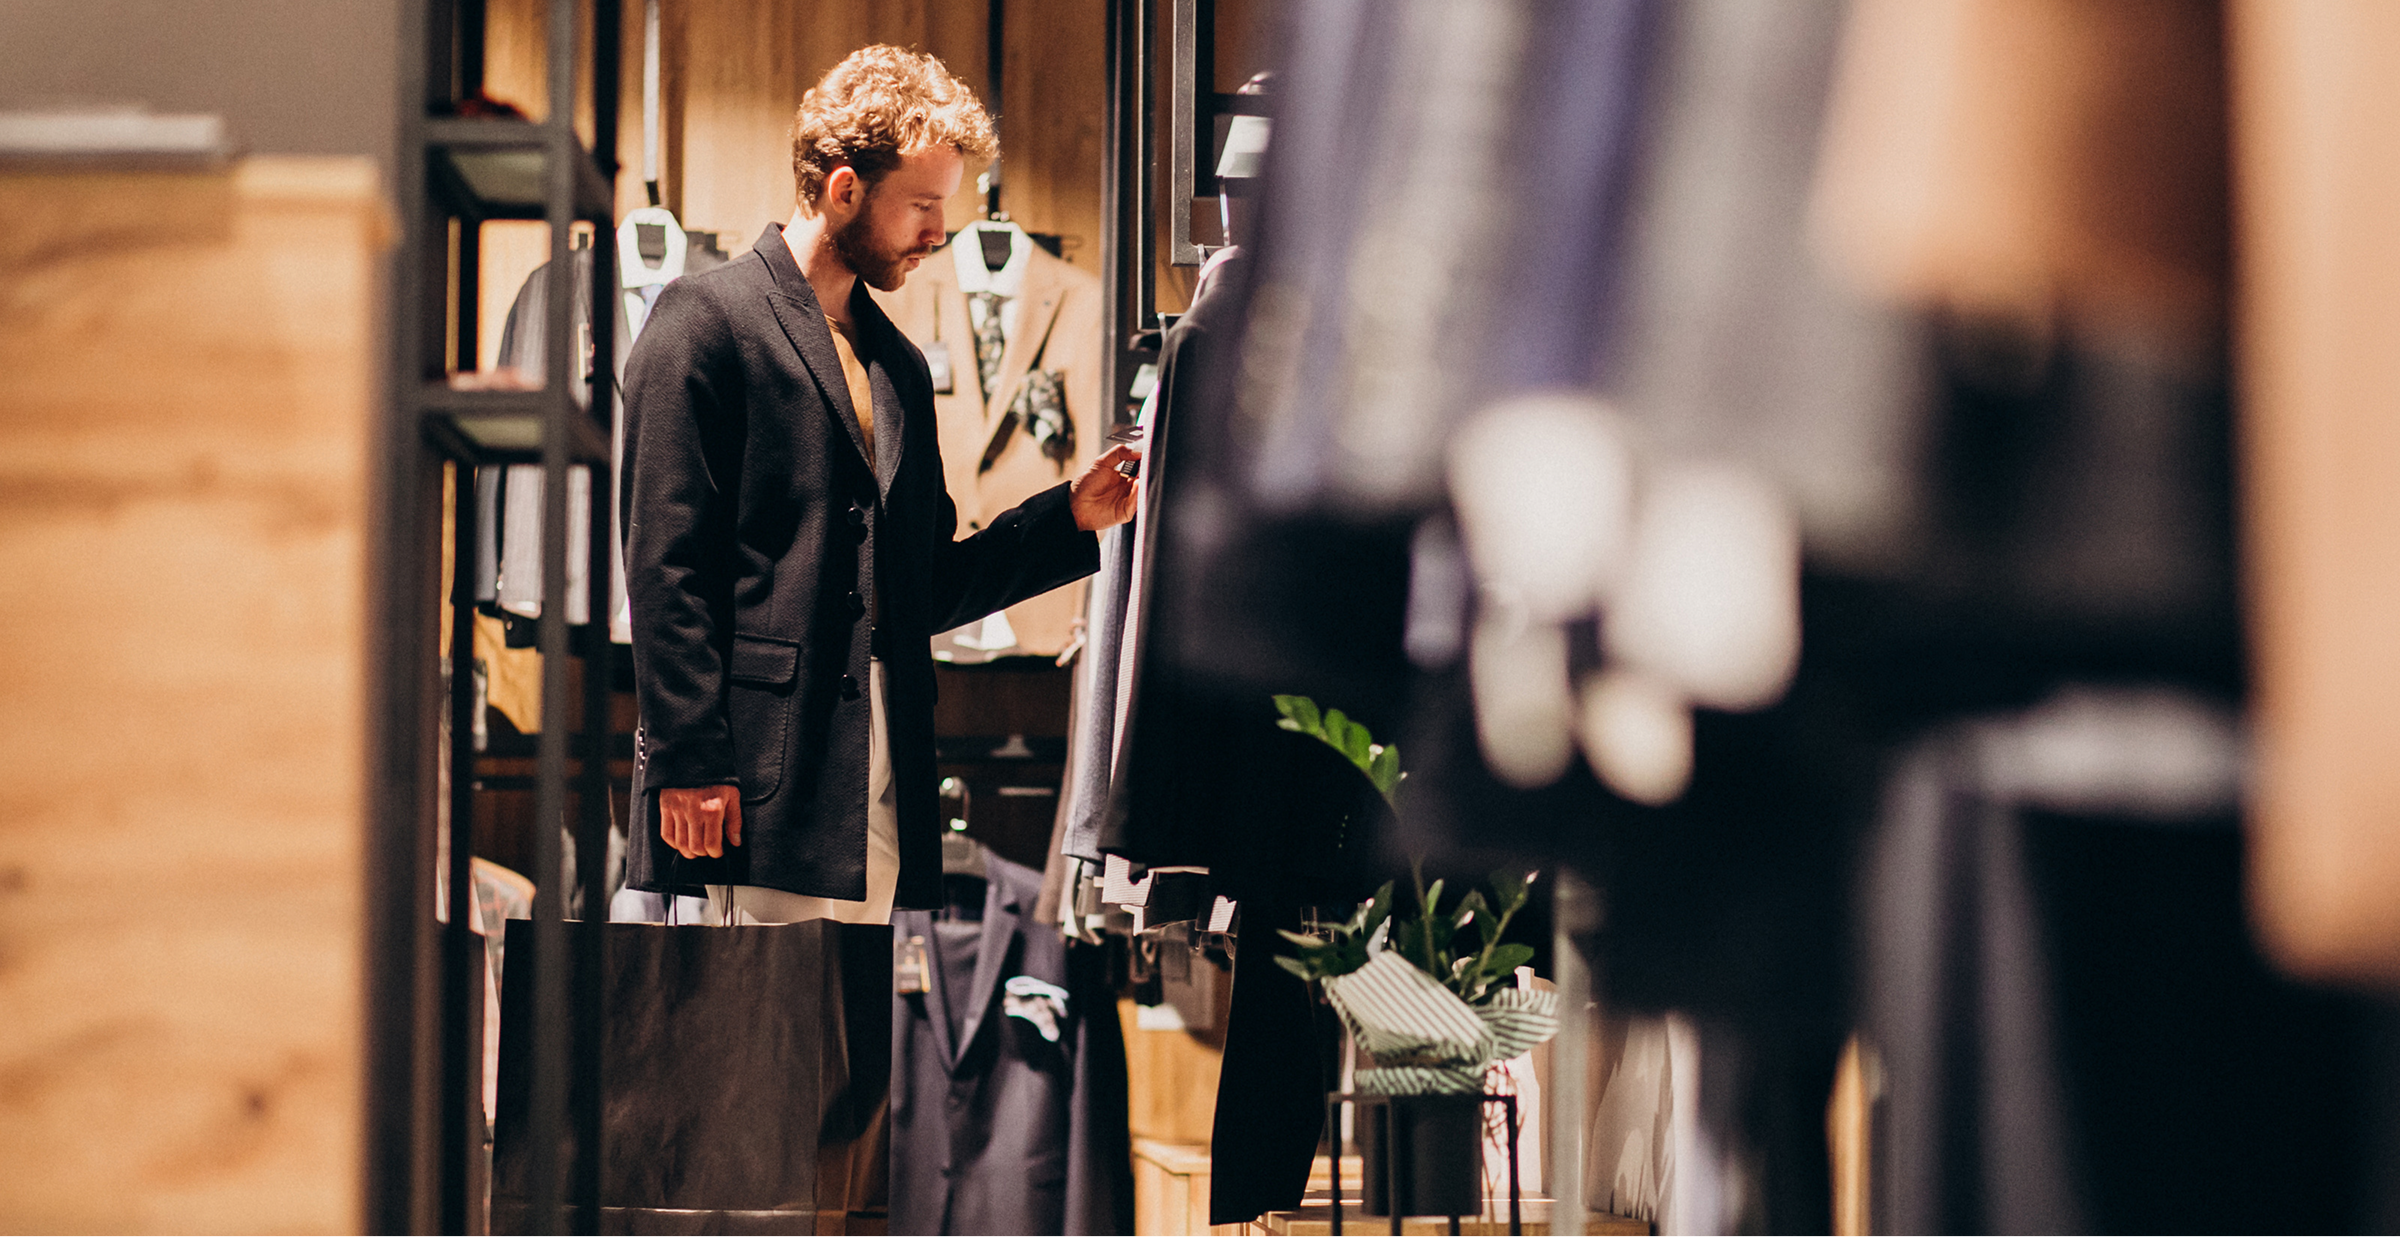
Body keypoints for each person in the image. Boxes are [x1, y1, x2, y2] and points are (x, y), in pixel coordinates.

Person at [620, 45, 1138, 924]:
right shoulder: (704, 322)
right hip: (750, 777)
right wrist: (688, 756)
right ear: (844, 188)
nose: (940, 232)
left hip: (881, 779)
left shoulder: (897, 362)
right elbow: (666, 566)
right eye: (924, 205)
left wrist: (1069, 519)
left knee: (853, 1020)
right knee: (755, 1015)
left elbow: (924, 585)